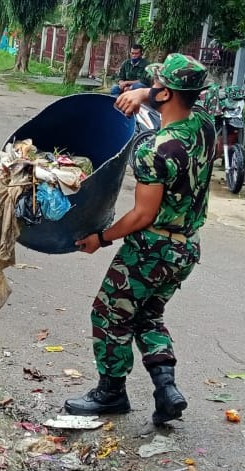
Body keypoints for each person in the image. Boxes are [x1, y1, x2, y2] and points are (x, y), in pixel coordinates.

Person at [66, 54, 214, 425]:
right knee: (148, 315)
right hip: (186, 248)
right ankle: (166, 389)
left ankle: (111, 392)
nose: (149, 88)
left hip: (152, 250)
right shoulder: (204, 126)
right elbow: (179, 98)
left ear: (166, 94)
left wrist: (101, 238)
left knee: (108, 313)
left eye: (156, 84)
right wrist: (146, 92)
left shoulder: (155, 150)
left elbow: (142, 215)